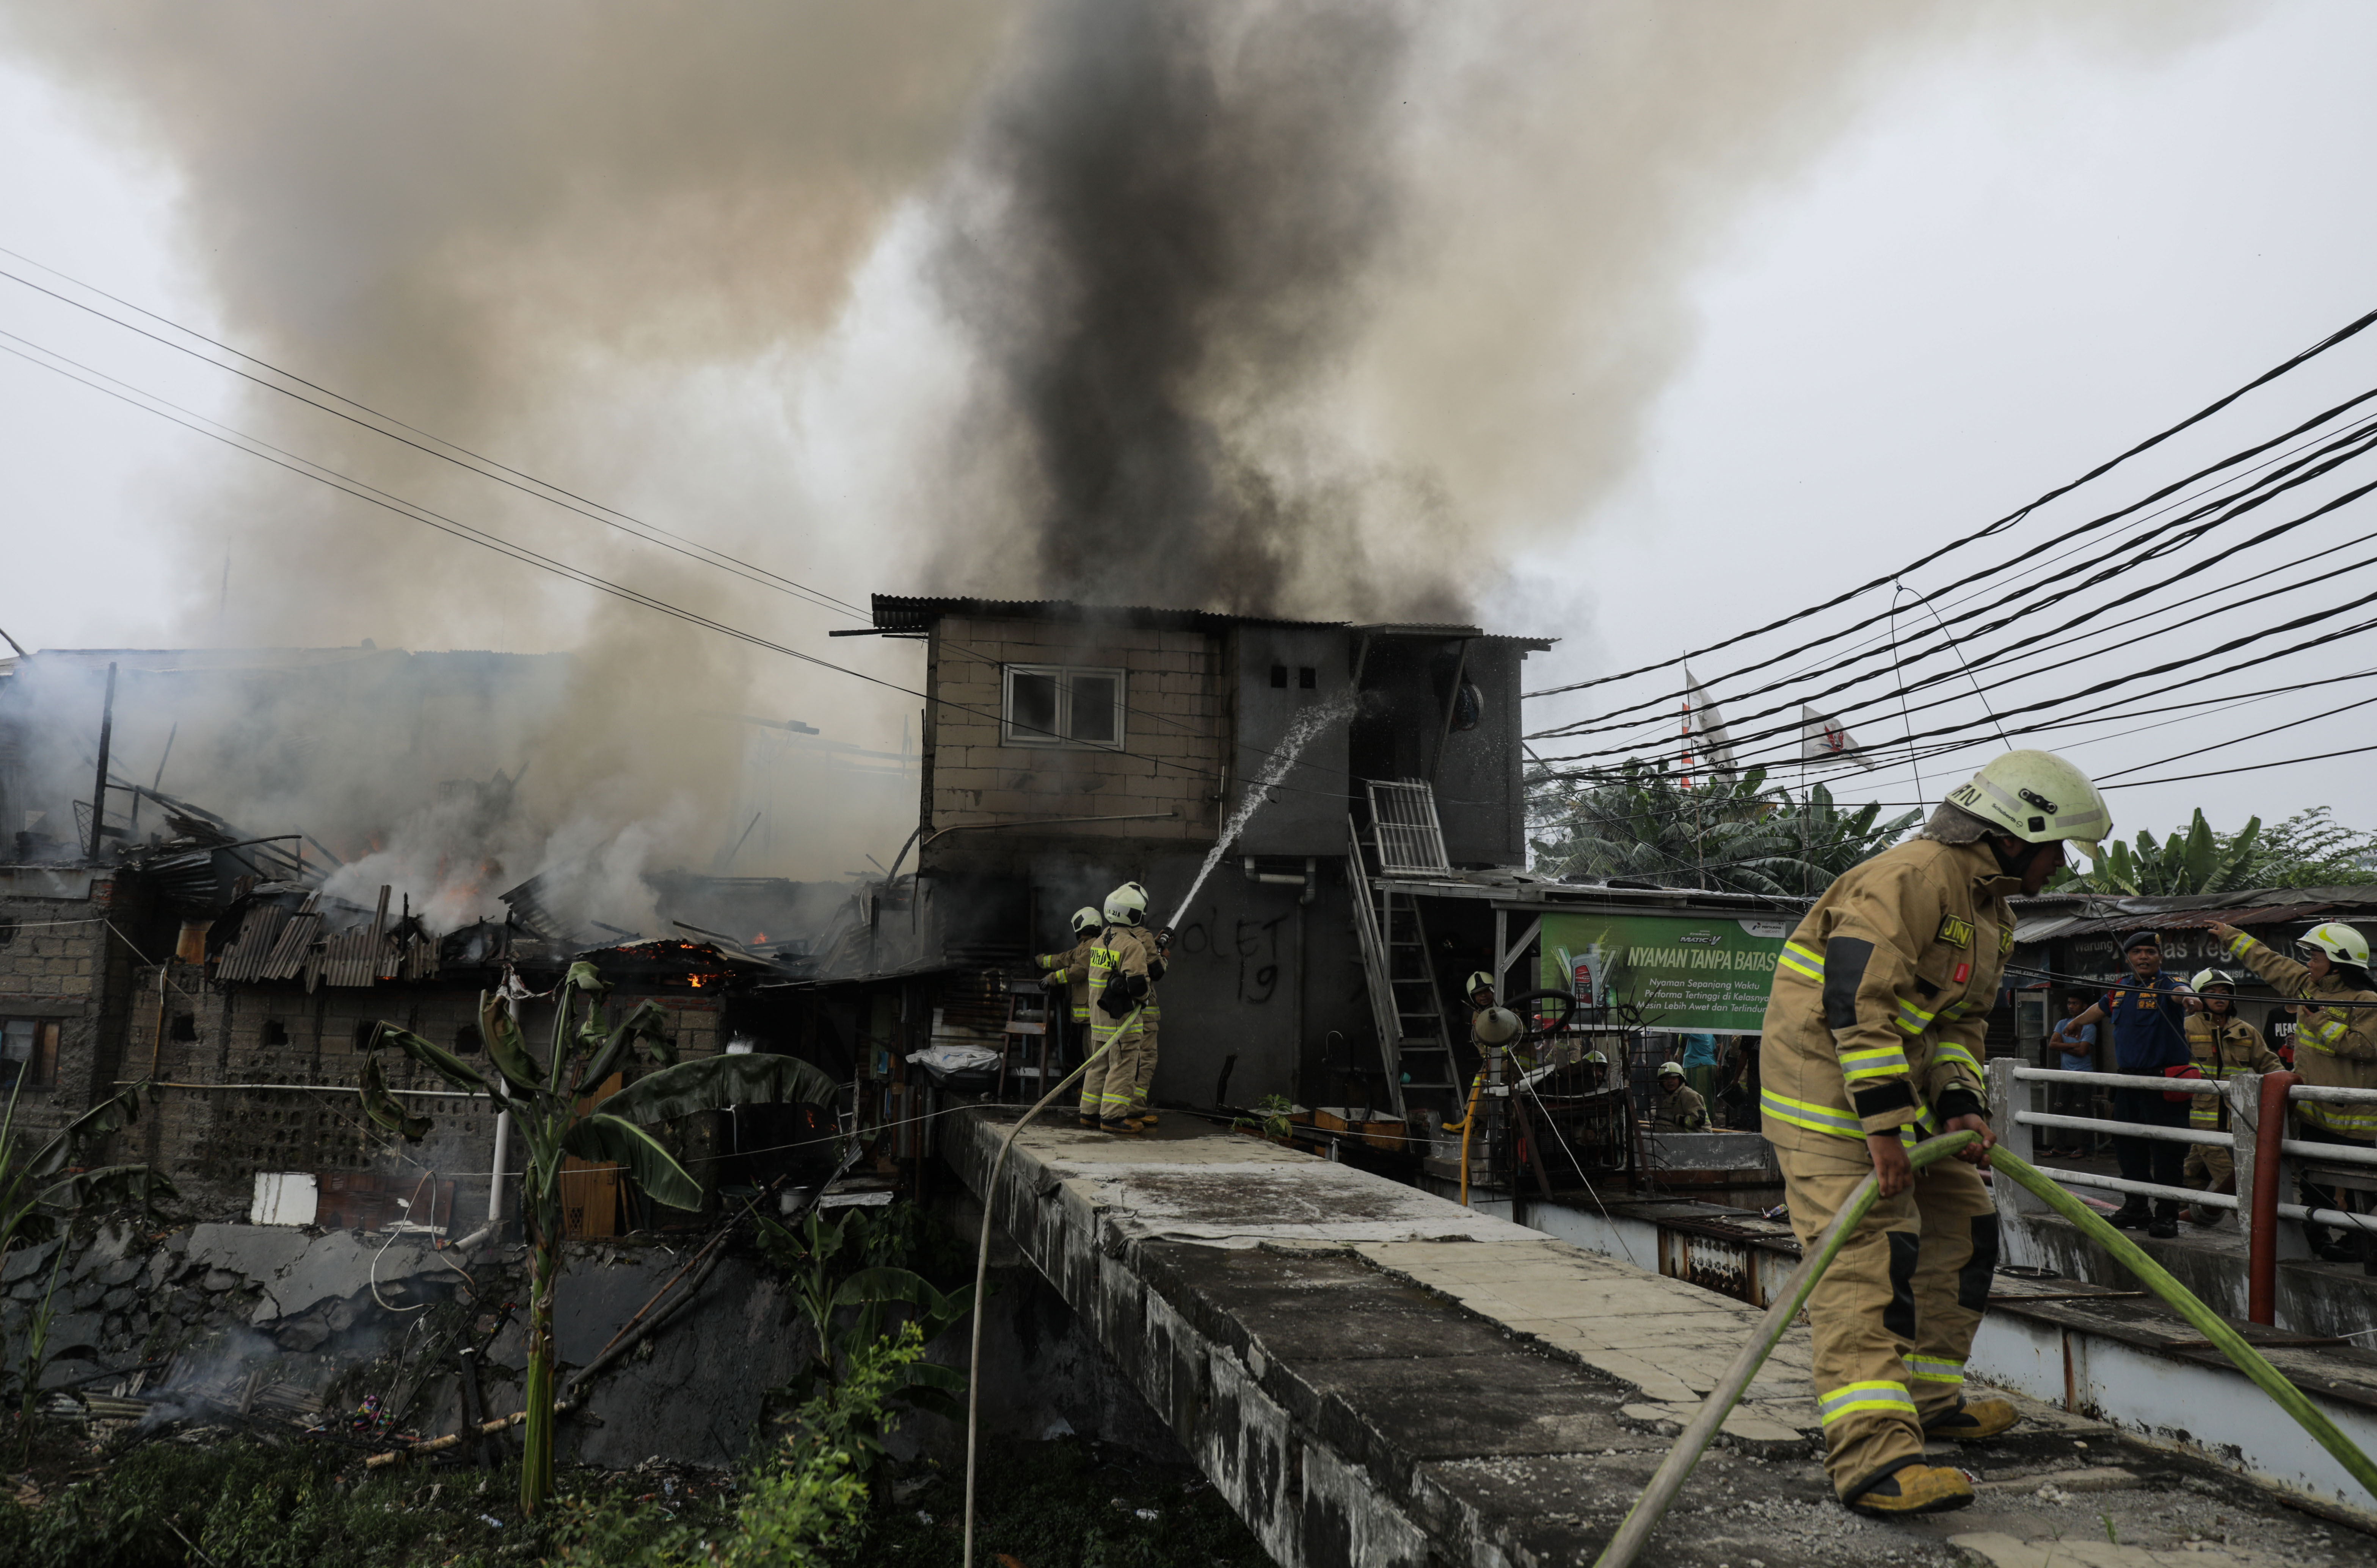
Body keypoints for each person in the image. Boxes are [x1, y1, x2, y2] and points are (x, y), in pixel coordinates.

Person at [1760, 749, 2110, 1517]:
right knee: (1865, 1262)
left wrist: (1958, 1103)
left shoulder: (1990, 912)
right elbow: (1856, 1003)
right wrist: (1886, 1130)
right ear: (2014, 835)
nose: (2060, 865)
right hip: (1828, 1104)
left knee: (1962, 1224)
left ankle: (1925, 1400)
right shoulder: (1909, 879)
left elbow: (1958, 1024)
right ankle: (1872, 1459)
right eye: (2056, 848)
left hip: (1896, 1103)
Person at [2207, 920, 2377, 1267]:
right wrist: (2229, 935)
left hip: (2354, 1121)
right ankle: (2317, 1237)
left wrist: (2319, 1021)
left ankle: (2358, 1243)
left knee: (2362, 1189)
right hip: (2313, 1115)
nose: (2309, 963)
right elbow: (2268, 961)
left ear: (2337, 962)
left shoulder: (2366, 1000)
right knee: (2313, 1185)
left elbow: (2366, 1047)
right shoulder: (2305, 986)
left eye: (2315, 957)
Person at [2062, 933, 2196, 1238]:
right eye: (2137, 952)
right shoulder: (2120, 988)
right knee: (2127, 1147)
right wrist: (2077, 1022)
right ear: (2128, 958)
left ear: (2160, 957)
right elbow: (2099, 1008)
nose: (2143, 957)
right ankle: (2136, 1208)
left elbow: (2182, 992)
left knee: (2166, 1151)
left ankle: (2166, 1215)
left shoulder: (2169, 983)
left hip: (2162, 1082)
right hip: (2127, 1081)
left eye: (2150, 951)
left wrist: (2191, 999)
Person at [2177, 969, 2281, 1227]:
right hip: (2198, 1117)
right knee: (2233, 1175)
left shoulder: (2245, 1031)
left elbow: (2269, 1064)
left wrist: (2287, 1083)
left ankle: (2173, 1215)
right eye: (2212, 992)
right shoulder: (2186, 1027)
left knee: (2191, 1174)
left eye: (2224, 992)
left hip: (2236, 1117)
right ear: (2199, 996)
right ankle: (2254, 1229)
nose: (2220, 997)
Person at [1079, 884, 1164, 1134]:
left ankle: (1089, 1113)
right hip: (1121, 1019)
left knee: (1099, 1065)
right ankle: (1113, 1117)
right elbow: (1137, 985)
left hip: (1099, 1018)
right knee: (1123, 1064)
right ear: (1135, 915)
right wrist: (1146, 997)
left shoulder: (1100, 941)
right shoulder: (1131, 945)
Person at [1035, 906, 1105, 1074]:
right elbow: (1065, 958)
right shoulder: (1085, 946)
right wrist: (1042, 961)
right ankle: (1092, 1088)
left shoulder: (1093, 947)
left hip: (1092, 1016)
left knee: (1095, 1061)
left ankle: (1097, 1089)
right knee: (1090, 1059)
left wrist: (1052, 979)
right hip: (1088, 1016)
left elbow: (1078, 971)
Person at [2042, 992, 2099, 1158]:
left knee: (2083, 1111)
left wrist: (2065, 1046)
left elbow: (2083, 1052)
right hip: (2065, 1075)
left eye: (2075, 1003)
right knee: (2059, 1110)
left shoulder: (2089, 1027)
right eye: (2069, 1003)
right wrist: (2075, 1045)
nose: (2071, 1006)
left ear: (2085, 1007)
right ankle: (2059, 1147)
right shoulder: (2063, 1024)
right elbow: (2052, 1045)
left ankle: (2084, 1147)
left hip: (2083, 1075)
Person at [1652, 1060, 1709, 1130]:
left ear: (1680, 1079)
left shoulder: (1688, 1094)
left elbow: (1698, 1120)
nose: (1670, 1081)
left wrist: (1674, 1118)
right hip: (1690, 1130)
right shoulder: (1670, 1096)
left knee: (1660, 1125)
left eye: (1673, 1078)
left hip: (1700, 1133)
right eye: (1666, 1079)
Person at [1679, 1030, 1720, 1104]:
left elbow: (1682, 1031)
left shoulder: (1699, 1032)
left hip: (1699, 1065)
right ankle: (1708, 1111)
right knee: (1706, 1096)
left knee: (1698, 1098)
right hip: (1707, 1064)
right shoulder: (1709, 1034)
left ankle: (1703, 1112)